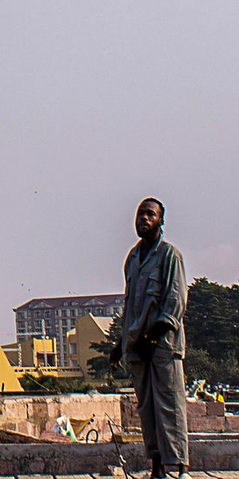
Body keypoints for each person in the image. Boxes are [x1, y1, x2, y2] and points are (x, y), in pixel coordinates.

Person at [111, 198, 189, 479]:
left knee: (170, 405)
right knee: (147, 409)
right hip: (136, 347)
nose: (143, 219)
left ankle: (177, 467)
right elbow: (131, 305)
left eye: (150, 214)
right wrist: (121, 345)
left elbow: (175, 302)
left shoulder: (170, 256)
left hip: (163, 346)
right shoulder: (133, 259)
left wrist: (153, 336)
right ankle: (156, 466)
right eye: (140, 214)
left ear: (160, 221)